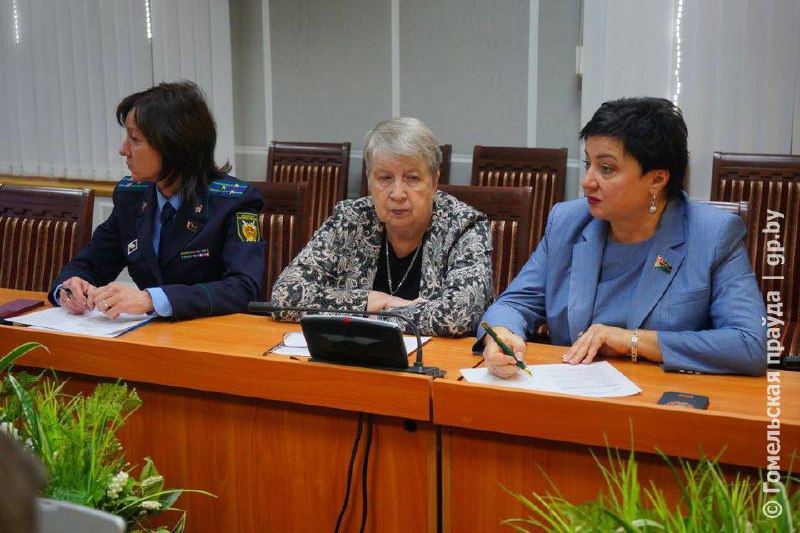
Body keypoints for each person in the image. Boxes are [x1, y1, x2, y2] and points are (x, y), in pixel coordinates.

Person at [480, 97, 767, 376]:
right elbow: (513, 304)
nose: (587, 181)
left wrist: (632, 341)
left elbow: (749, 344)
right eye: (588, 164)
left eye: (606, 169)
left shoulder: (713, 234)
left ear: (657, 179)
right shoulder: (568, 222)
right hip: (572, 391)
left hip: (660, 398)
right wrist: (502, 336)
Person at [49, 81, 265, 319]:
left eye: (134, 139)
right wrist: (71, 288)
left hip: (211, 334)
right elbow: (90, 264)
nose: (123, 150)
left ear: (173, 145)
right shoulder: (131, 197)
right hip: (147, 334)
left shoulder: (232, 202)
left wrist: (152, 300)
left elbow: (243, 288)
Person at [271, 117, 493, 336]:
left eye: (412, 178)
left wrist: (368, 316)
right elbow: (284, 296)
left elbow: (457, 316)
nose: (397, 194)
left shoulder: (465, 226)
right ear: (369, 179)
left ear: (434, 182)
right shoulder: (351, 219)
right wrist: (374, 300)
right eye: (385, 178)